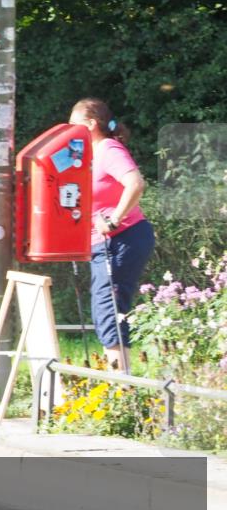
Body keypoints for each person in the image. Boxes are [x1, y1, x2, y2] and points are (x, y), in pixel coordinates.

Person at [68, 97, 155, 371]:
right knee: (104, 310)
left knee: (110, 310)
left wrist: (115, 219)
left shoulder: (108, 149)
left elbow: (135, 183)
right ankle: (117, 384)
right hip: (106, 243)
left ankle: (121, 388)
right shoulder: (90, 154)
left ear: (91, 124)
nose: (69, 131)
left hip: (122, 239)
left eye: (74, 125)